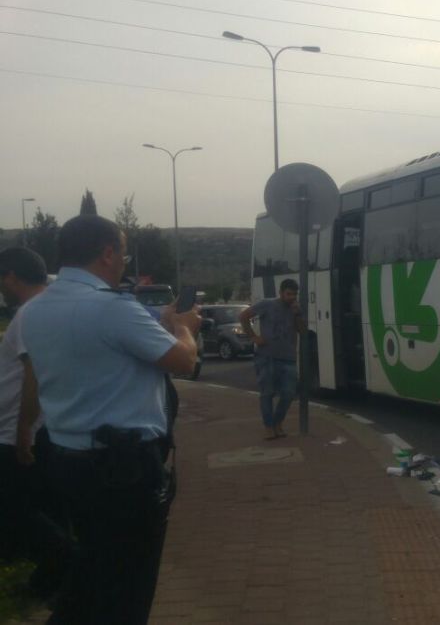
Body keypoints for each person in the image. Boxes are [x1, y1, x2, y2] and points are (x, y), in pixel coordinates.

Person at [17, 214, 201, 624]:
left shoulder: (35, 311)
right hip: (123, 470)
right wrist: (184, 327)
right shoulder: (111, 308)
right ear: (107, 253)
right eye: (122, 252)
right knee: (130, 585)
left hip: (67, 458)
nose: (123, 261)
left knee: (94, 570)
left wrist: (163, 322)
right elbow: (183, 359)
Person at [0, 247, 70, 605]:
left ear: (11, 276)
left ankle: (59, 569)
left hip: (15, 432)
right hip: (39, 428)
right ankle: (53, 580)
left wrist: (23, 429)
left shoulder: (29, 313)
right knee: (42, 504)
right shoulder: (53, 307)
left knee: (12, 509)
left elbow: (33, 372)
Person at [240, 278, 303, 440]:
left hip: (288, 358)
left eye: (294, 295)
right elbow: (244, 316)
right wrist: (254, 337)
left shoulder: (295, 309)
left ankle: (278, 422)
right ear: (281, 293)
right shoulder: (267, 304)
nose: (291, 298)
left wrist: (297, 314)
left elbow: (302, 331)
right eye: (289, 294)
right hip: (267, 357)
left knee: (289, 394)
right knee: (267, 393)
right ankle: (269, 427)